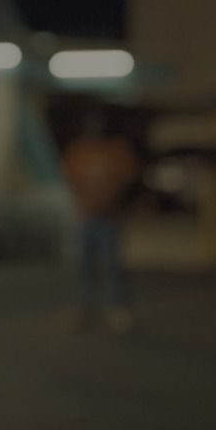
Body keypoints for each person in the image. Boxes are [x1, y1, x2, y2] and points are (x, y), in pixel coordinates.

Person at [61, 104, 141, 333]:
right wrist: (84, 206)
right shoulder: (78, 150)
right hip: (86, 218)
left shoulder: (117, 149)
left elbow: (126, 181)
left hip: (111, 218)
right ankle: (82, 307)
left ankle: (118, 309)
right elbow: (72, 182)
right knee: (83, 265)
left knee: (113, 265)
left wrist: (106, 202)